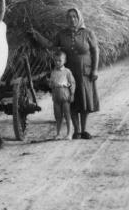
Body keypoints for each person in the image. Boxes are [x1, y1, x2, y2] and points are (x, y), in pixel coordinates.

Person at [28, 8, 100, 139]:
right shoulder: (62, 34)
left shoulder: (88, 33)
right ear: (66, 20)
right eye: (69, 17)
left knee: (84, 100)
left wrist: (94, 70)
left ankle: (84, 130)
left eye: (74, 17)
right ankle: (76, 131)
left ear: (79, 18)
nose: (72, 19)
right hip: (69, 73)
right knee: (70, 100)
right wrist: (36, 35)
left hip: (85, 73)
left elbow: (95, 51)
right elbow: (50, 44)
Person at [48, 49, 76, 140]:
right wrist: (50, 84)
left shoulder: (67, 72)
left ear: (65, 61)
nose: (57, 62)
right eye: (55, 60)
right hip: (56, 95)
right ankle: (58, 133)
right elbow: (51, 83)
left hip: (65, 94)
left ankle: (69, 133)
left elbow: (72, 83)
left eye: (60, 60)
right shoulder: (53, 72)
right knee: (58, 115)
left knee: (67, 114)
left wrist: (72, 94)